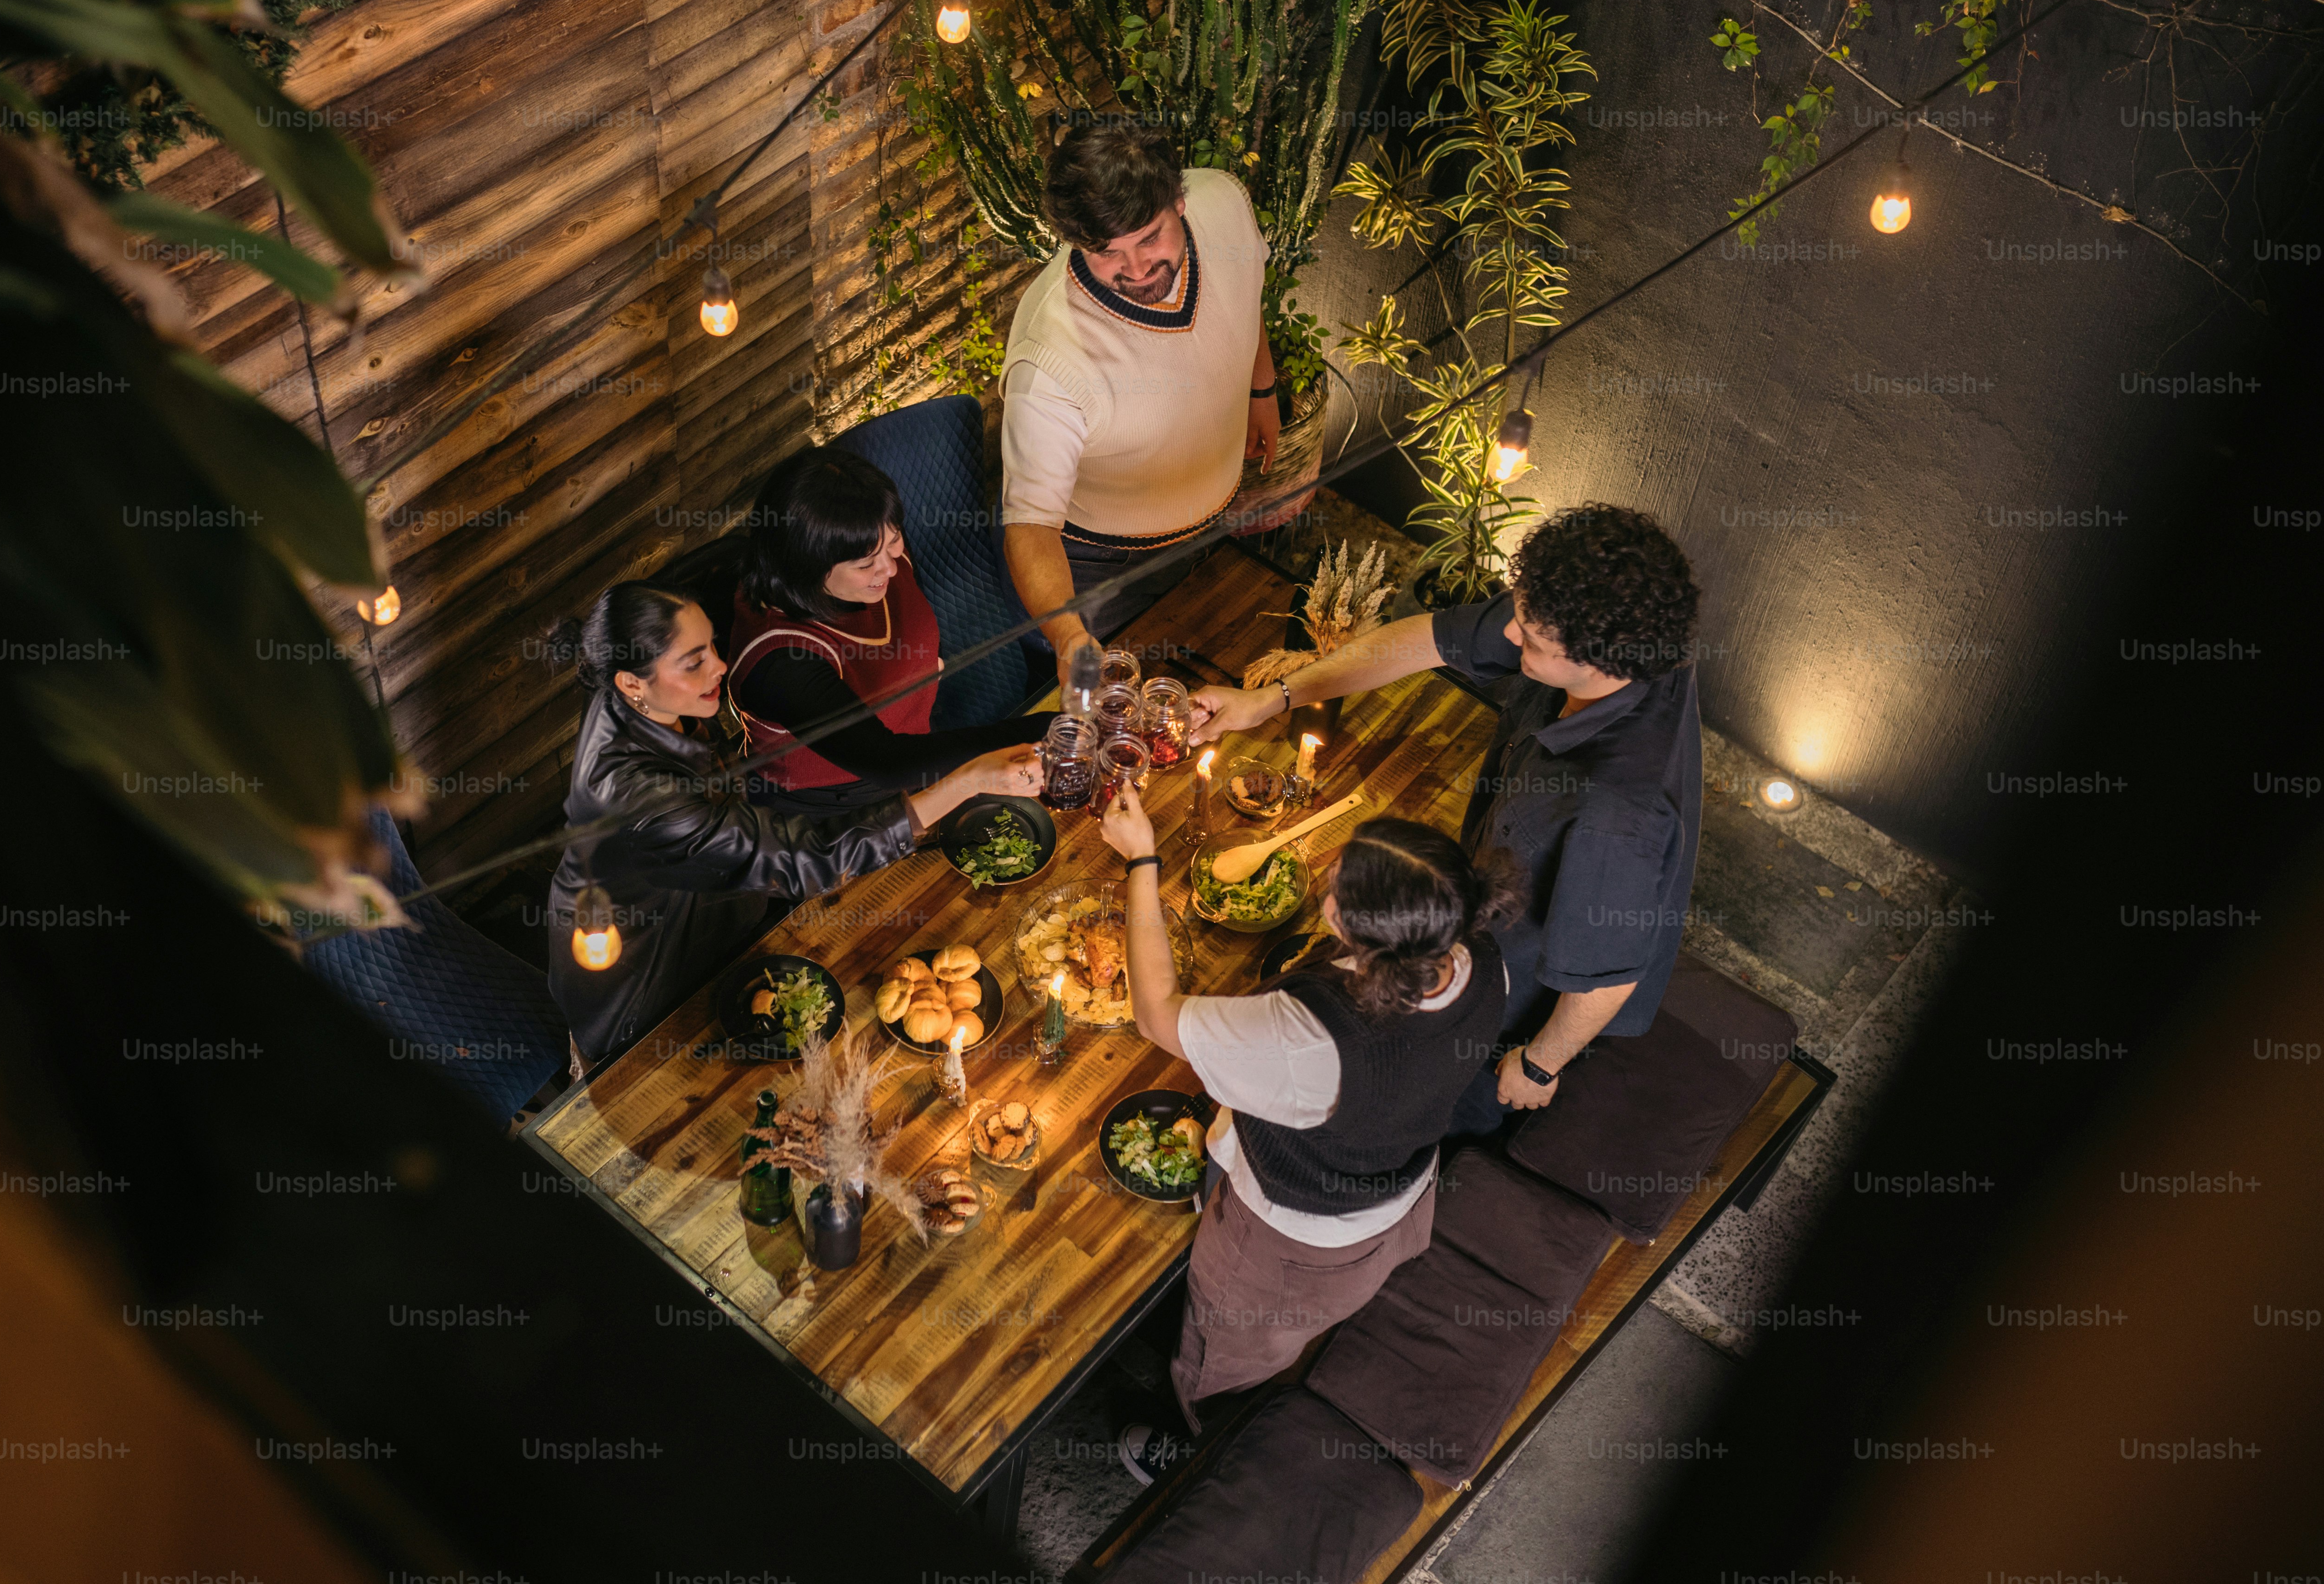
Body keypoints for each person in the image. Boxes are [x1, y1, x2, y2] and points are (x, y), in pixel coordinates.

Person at [1191, 503, 1703, 1137]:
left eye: (1534, 642)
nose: (1512, 637)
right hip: (1479, 900)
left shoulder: (1618, 814)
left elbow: (1606, 980)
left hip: (1510, 1003)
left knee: (1423, 1115)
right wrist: (1273, 699)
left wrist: (1540, 1066)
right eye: (1518, 617)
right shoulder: (1577, 619)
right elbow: (1423, 640)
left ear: (1601, 664)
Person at [1094, 784, 1518, 1473]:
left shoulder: (1317, 1037)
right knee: (1290, 1330)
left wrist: (1143, 863)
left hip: (1291, 1248)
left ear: (1363, 941)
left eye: (1335, 885)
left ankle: (1191, 1446)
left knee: (1223, 1348)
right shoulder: (1481, 954)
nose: (1322, 871)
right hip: (1402, 1195)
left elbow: (1156, 1017)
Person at [542, 581, 1044, 1065]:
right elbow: (804, 858)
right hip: (643, 990)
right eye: (694, 662)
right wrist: (965, 781)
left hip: (715, 920)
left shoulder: (637, 695)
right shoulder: (638, 796)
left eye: (712, 646)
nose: (720, 665)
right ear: (631, 683)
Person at [1000, 114, 1278, 656]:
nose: (1136, 268)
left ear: (1179, 200)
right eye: (1107, 253)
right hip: (1099, 575)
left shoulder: (1224, 204)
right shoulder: (1049, 363)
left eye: (1150, 238)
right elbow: (1030, 526)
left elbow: (1248, 296)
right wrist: (1069, 638)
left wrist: (1261, 389)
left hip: (1214, 529)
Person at [726, 448, 1051, 814]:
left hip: (916, 750)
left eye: (894, 540)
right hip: (832, 806)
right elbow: (888, 761)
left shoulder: (874, 546)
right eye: (866, 564)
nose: (891, 570)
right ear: (806, 566)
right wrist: (1047, 728)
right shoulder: (782, 661)